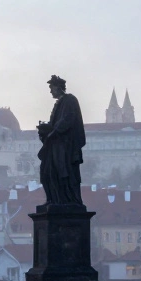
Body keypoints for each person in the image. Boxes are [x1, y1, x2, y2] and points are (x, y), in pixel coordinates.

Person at [36, 75, 87, 206]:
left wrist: (53, 131)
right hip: (55, 145)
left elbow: (68, 119)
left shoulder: (70, 99)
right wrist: (45, 129)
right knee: (46, 172)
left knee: (62, 173)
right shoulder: (59, 103)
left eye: (51, 88)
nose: (50, 91)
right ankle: (53, 199)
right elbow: (57, 123)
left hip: (65, 147)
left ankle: (65, 200)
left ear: (58, 87)